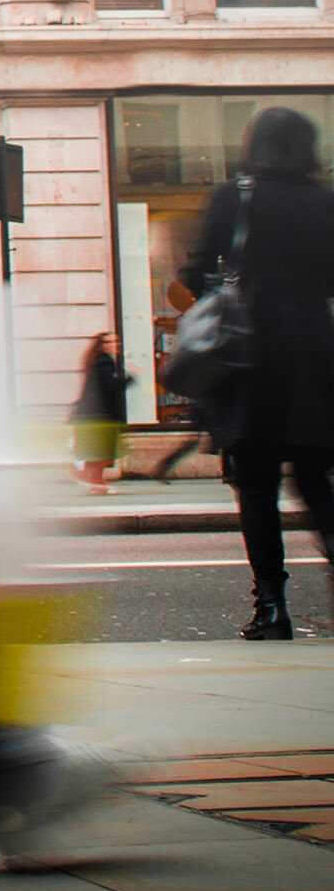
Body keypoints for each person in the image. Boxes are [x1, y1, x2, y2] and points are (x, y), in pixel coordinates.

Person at [179, 106, 334, 642]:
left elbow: (194, 268)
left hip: (250, 363)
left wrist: (225, 287)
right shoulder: (326, 201)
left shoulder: (235, 197)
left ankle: (272, 606)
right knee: (318, 483)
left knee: (257, 489)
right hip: (317, 361)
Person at [71, 333, 129, 495]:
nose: (116, 344)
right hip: (99, 416)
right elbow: (110, 386)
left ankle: (97, 483)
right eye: (111, 341)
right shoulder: (104, 362)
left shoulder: (98, 362)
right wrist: (128, 379)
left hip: (94, 415)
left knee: (99, 454)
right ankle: (95, 483)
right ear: (103, 345)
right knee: (101, 454)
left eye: (117, 340)